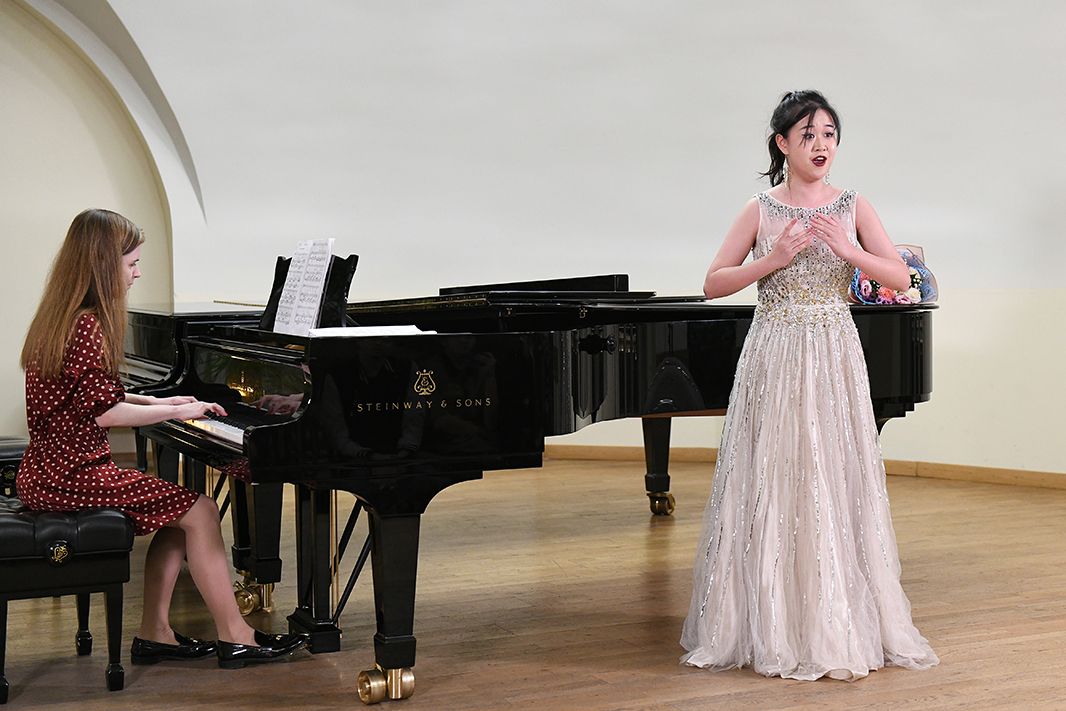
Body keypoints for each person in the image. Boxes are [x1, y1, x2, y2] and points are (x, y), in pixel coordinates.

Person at [680, 91, 939, 681]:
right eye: (808, 135)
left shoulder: (853, 205)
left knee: (830, 473)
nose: (821, 146)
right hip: (773, 352)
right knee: (773, 473)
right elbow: (713, 284)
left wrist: (849, 249)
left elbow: (902, 277)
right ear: (782, 144)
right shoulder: (760, 209)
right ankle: (766, 624)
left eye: (829, 134)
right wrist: (771, 260)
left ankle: (834, 623)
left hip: (833, 352)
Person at [16, 209, 307, 669]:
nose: (137, 272)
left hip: (48, 471)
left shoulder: (61, 319)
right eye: (131, 263)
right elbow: (106, 412)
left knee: (181, 515)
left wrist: (163, 402)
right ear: (103, 264)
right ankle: (237, 637)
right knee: (202, 511)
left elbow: (95, 395)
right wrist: (180, 410)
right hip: (73, 475)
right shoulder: (88, 326)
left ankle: (155, 633)